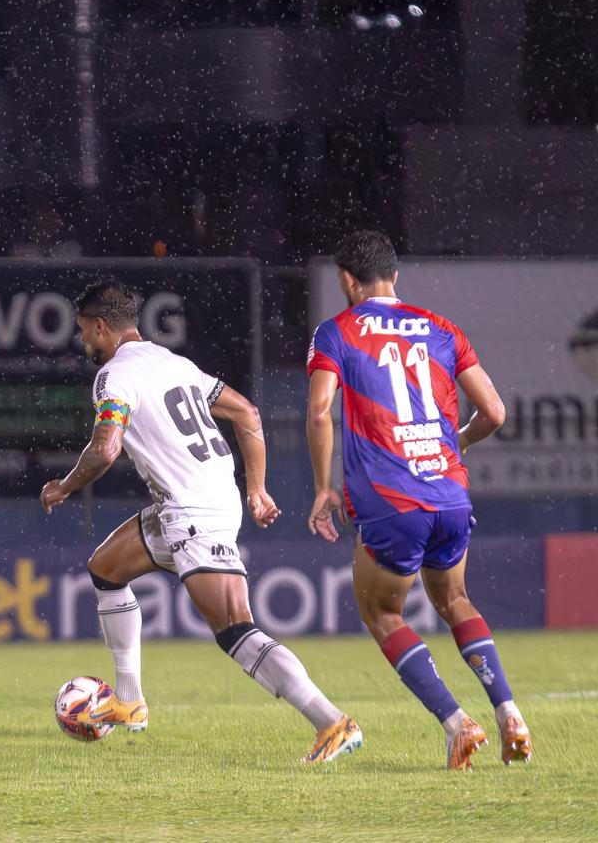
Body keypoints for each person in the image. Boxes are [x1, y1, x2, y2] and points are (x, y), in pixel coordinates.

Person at [41, 279, 362, 764]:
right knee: (106, 569)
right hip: (198, 501)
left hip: (194, 511)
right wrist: (255, 489)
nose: (84, 342)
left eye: (85, 332)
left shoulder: (114, 375)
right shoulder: (174, 363)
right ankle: (129, 703)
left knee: (235, 630)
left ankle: (332, 723)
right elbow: (247, 413)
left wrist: (63, 486)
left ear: (102, 327)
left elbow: (106, 448)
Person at [305, 230, 531, 770]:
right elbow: (495, 412)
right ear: (396, 277)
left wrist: (322, 487)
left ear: (347, 281)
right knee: (456, 602)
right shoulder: (442, 328)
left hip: (390, 496)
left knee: (382, 611)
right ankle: (508, 710)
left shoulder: (336, 331)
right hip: (448, 491)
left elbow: (318, 413)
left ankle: (457, 723)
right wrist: (456, 443)